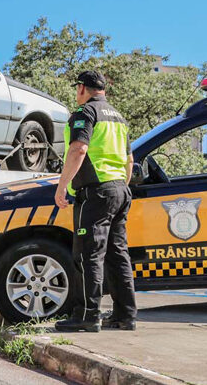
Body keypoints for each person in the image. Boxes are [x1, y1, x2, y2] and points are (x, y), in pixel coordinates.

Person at [53, 70, 137, 332]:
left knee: (88, 255)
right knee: (117, 255)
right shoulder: (119, 118)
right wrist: (121, 186)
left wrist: (62, 186)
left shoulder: (85, 113)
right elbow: (129, 160)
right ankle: (126, 316)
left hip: (95, 192)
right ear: (104, 90)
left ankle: (87, 316)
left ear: (81, 88)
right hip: (120, 191)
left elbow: (79, 148)